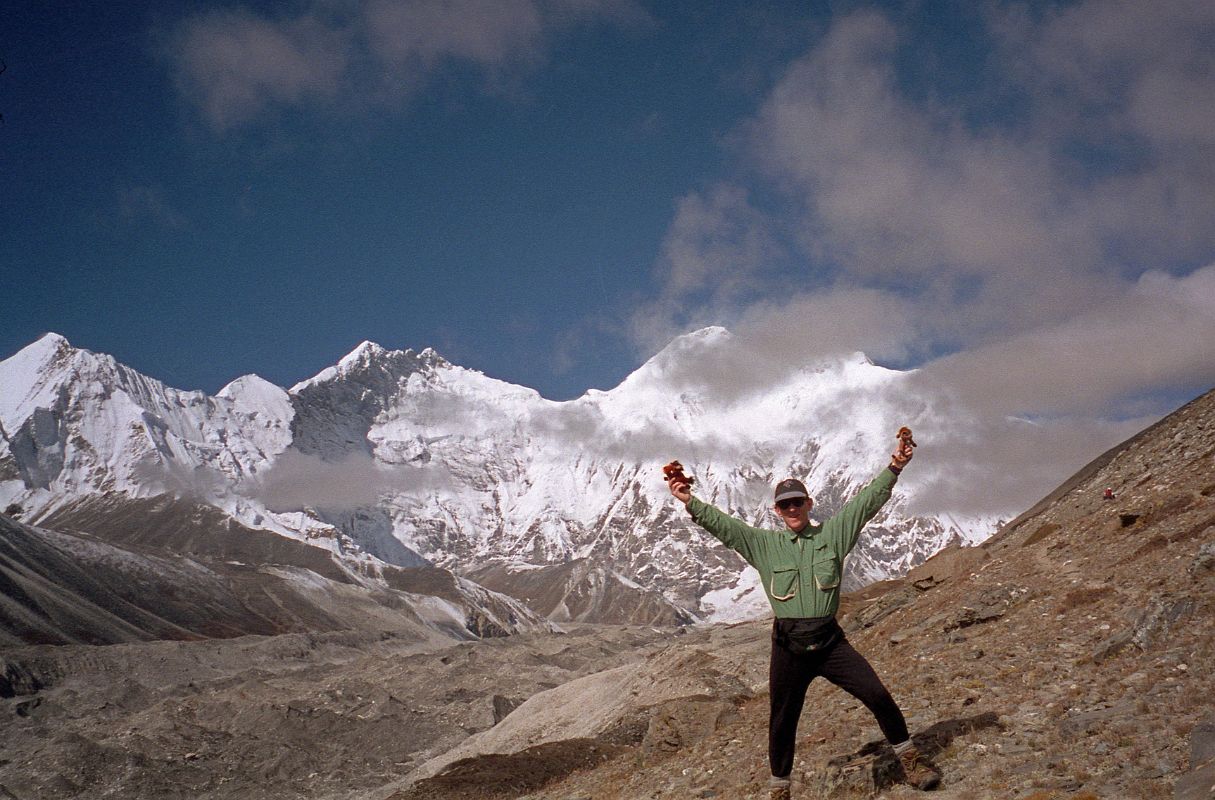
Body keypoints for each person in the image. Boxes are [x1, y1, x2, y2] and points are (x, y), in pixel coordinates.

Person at [666, 434, 940, 799]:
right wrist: (690, 502)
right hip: (788, 646)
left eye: (797, 502)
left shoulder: (833, 536)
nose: (792, 509)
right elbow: (725, 526)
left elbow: (865, 504)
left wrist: (896, 467)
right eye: (785, 505)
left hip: (830, 642)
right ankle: (780, 789)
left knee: (877, 694)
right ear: (777, 511)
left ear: (808, 504)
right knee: (782, 720)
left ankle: (911, 761)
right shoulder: (763, 545)